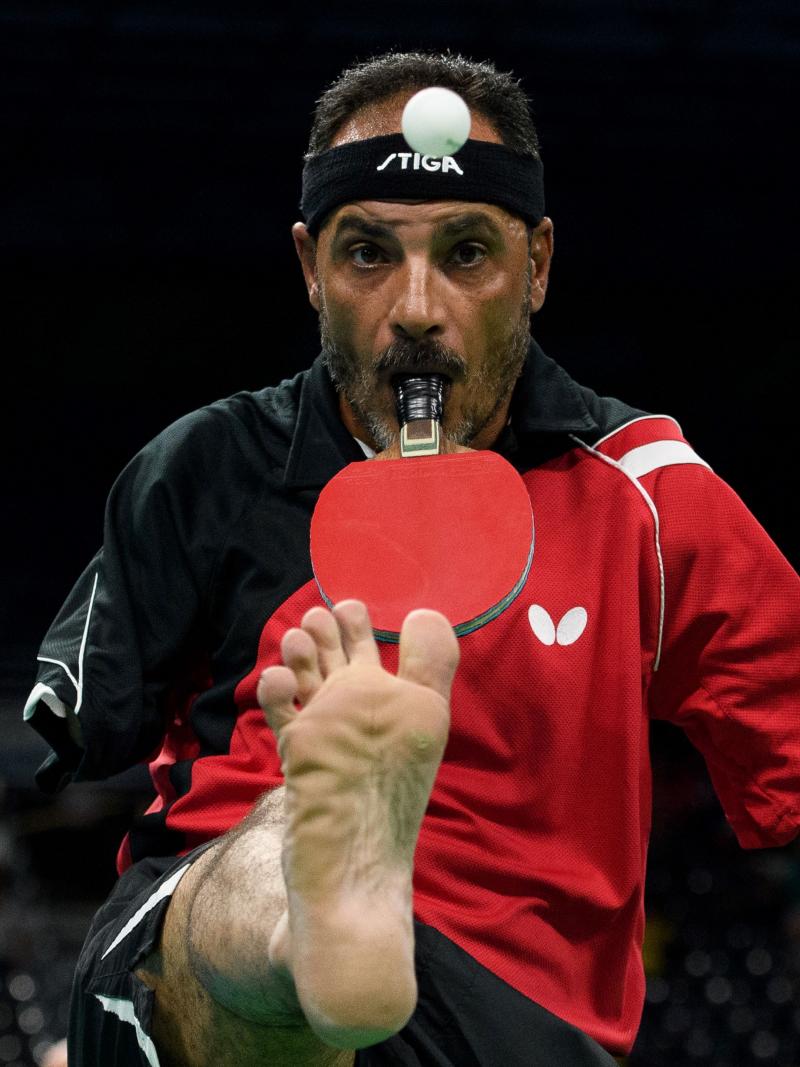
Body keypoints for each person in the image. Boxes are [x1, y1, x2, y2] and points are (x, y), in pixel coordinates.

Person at [24, 50, 800, 1067]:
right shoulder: (209, 469)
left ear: (537, 265)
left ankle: (320, 894)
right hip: (213, 965)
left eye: (466, 253)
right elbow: (77, 722)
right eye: (367, 255)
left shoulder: (650, 495)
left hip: (502, 1022)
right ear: (309, 266)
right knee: (256, 874)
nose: (417, 308)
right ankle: (318, 874)